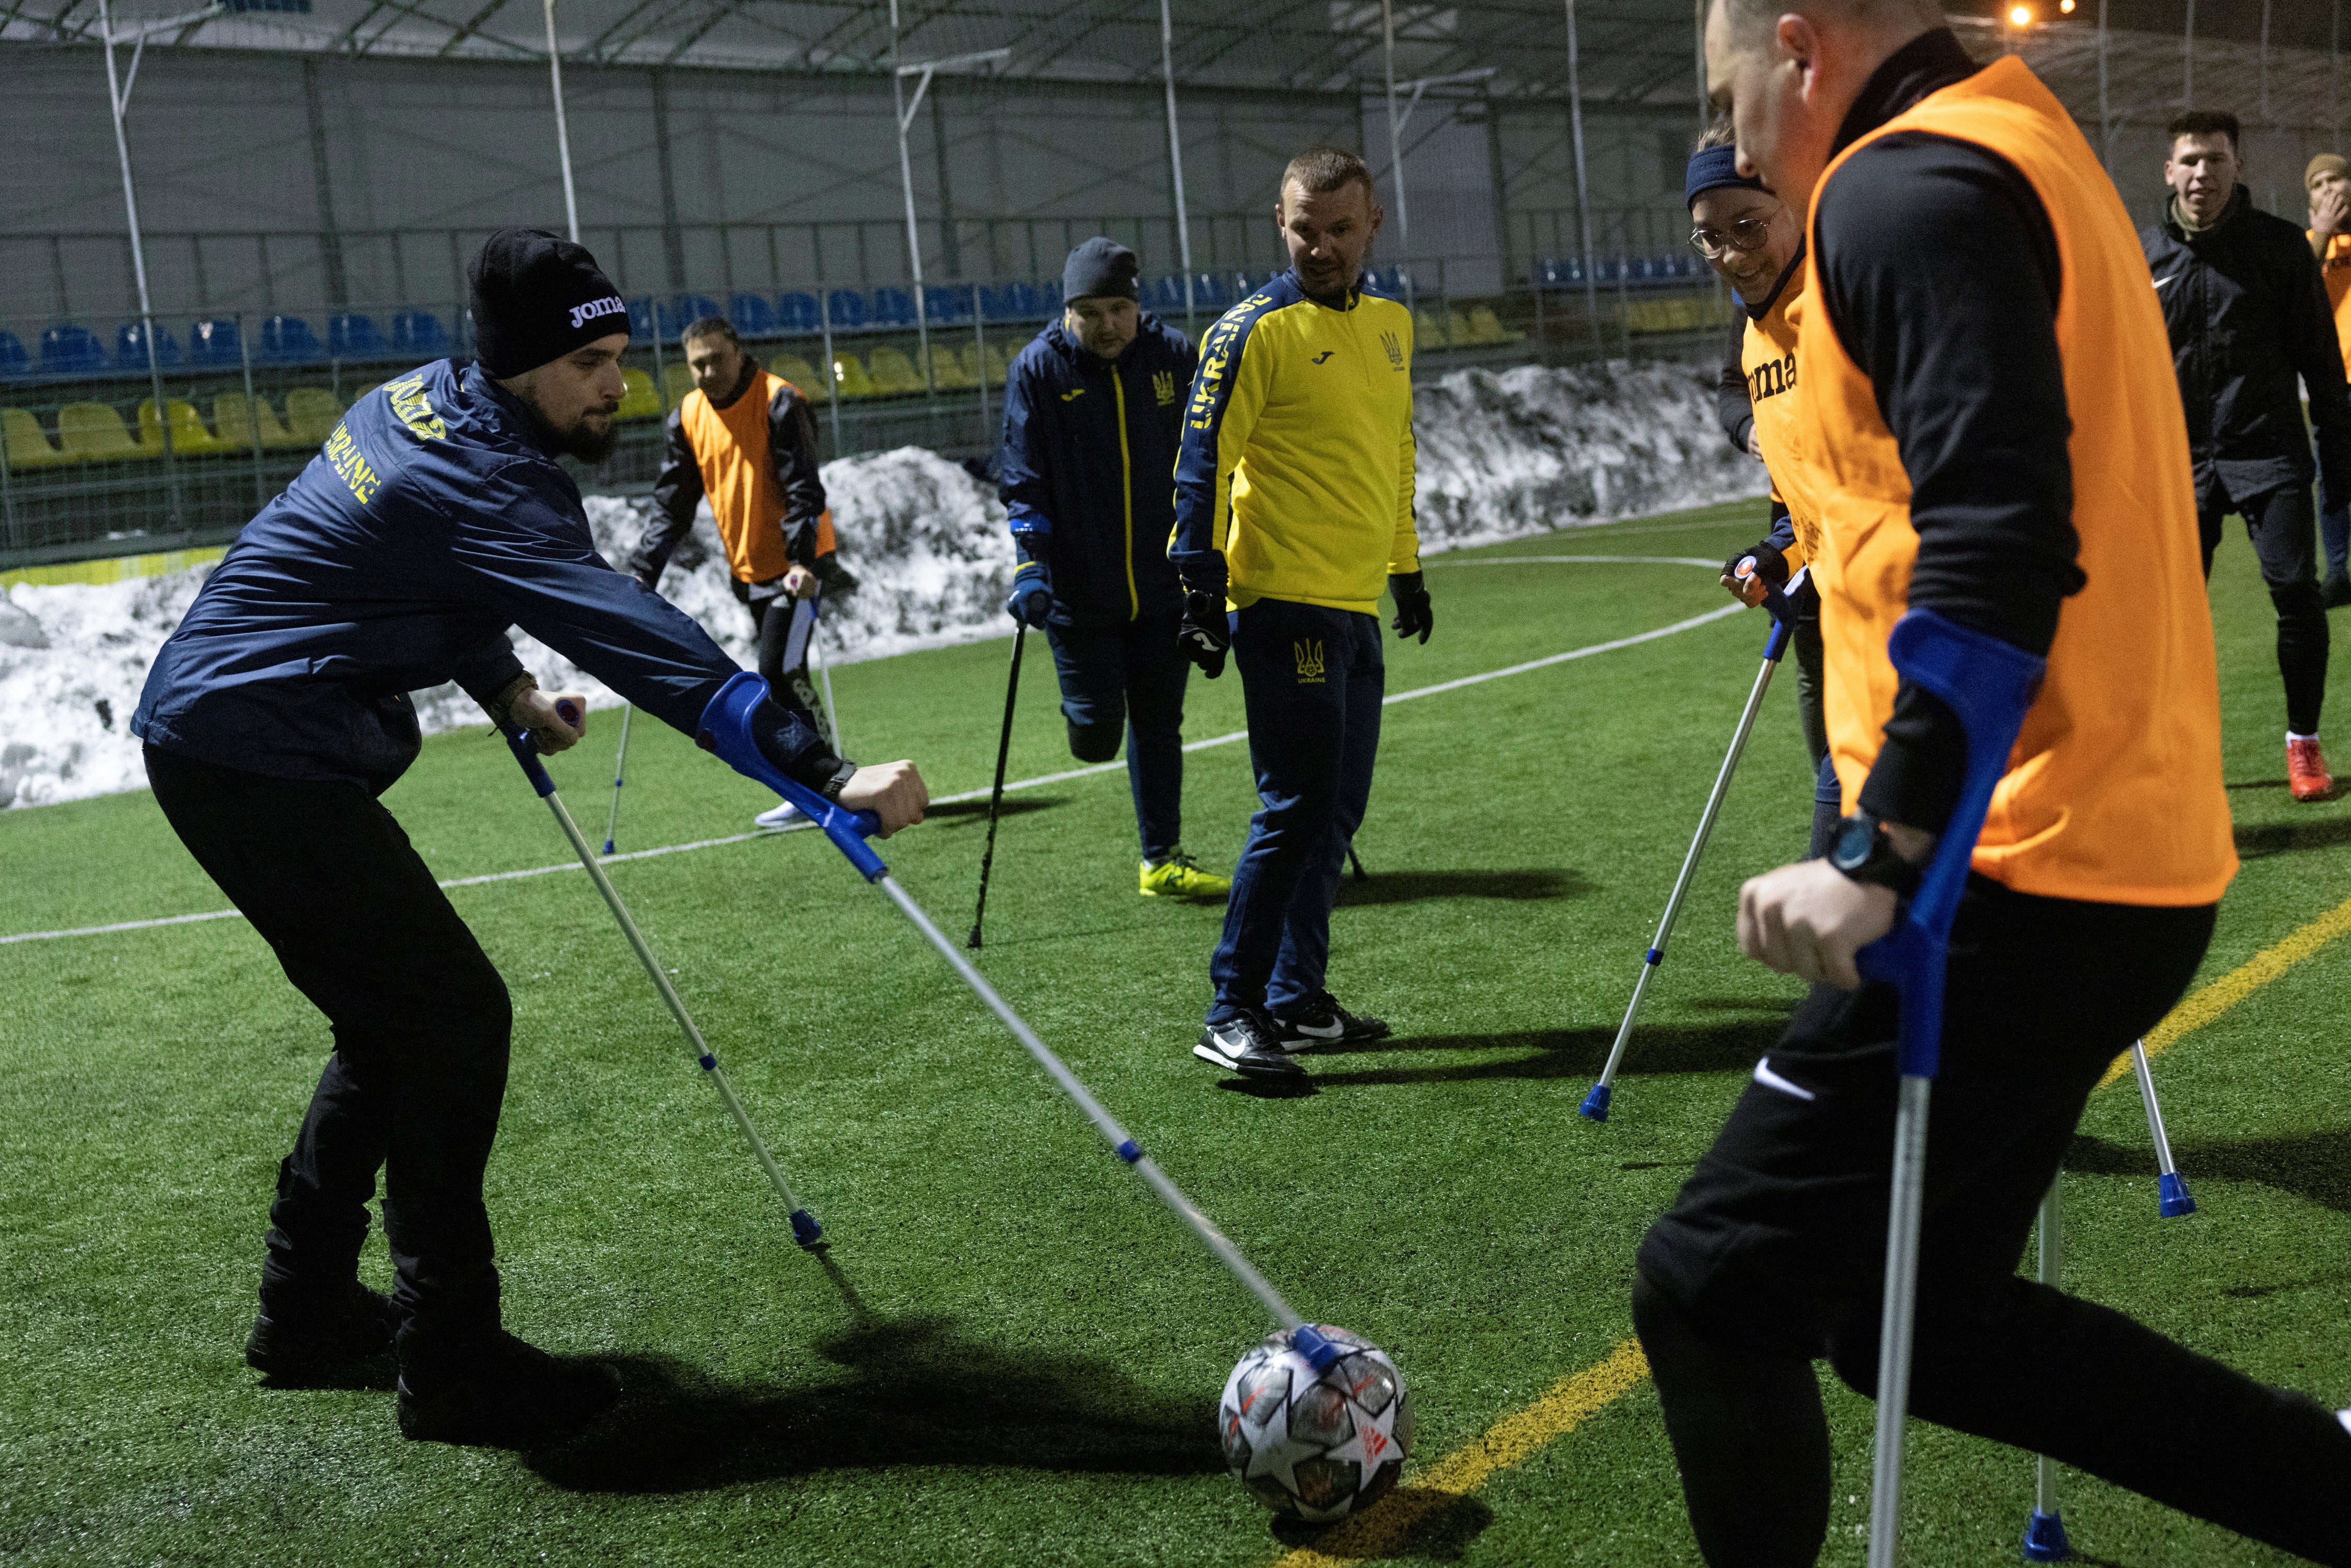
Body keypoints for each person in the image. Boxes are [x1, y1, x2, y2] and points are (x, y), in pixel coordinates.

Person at [1636, 5, 2351, 1564]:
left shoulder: (1905, 186)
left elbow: (1999, 537)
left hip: (2018, 859)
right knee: (1921, 1327)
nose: (1733, 135)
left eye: (1725, 91)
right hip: (2111, 852)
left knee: (1706, 1281)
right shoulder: (2026, 139)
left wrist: (1881, 846)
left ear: (1802, 49)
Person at [130, 229, 927, 1449]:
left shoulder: (421, 402)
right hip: (254, 749)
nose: (620, 384)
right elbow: (640, 640)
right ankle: (450, 1364)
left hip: (228, 728)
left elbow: (415, 573)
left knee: (392, 1020)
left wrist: (504, 688)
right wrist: (822, 768)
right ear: (517, 365)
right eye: (591, 362)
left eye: (620, 355)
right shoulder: (485, 480)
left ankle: (304, 1310)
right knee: (451, 1013)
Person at [1169, 147, 1429, 1082]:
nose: (1320, 247)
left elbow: (1393, 449)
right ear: (1279, 225)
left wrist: (1406, 569)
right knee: (1296, 806)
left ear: (1373, 225)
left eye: (1339, 230)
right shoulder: (1251, 331)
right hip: (1284, 603)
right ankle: (1232, 1008)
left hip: (1355, 605)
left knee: (1335, 812)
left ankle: (1297, 999)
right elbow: (1200, 464)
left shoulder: (1394, 325)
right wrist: (1197, 584)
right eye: (1302, 229)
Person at [996, 238, 1227, 899]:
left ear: (1138, 306)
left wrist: (1212, 558)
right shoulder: (1038, 370)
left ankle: (1162, 860)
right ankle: (1088, 714)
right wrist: (1030, 567)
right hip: (1080, 595)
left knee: (1159, 725)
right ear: (1068, 311)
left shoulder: (1175, 357)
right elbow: (1023, 479)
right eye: (1090, 311)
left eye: (1120, 308)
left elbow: (1209, 461)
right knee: (1097, 737)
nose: (1107, 325)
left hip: (1164, 589)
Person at [2143, 110, 2351, 803]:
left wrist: (2338, 456)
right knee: (2175, 614)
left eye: (2216, 160)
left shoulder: (2283, 248)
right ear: (2169, 171)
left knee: (2295, 592)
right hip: (2179, 462)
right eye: (2191, 161)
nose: (2203, 174)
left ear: (2238, 167)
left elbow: (2322, 363)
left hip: (2269, 451)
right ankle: (2179, 748)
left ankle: (2303, 743)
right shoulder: (2142, 256)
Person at [627, 313, 858, 828]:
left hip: (800, 567)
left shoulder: (780, 401)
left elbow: (804, 489)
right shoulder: (686, 416)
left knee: (778, 669)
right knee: (779, 677)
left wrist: (802, 561)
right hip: (749, 568)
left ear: (738, 352)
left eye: (715, 360)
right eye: (696, 365)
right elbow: (672, 506)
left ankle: (831, 778)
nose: (707, 372)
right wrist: (643, 571)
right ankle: (813, 783)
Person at [1690, 123, 1842, 857]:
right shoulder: (1754, 338)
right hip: (1838, 609)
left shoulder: (1843, 305)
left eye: (1747, 226)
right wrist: (1776, 559)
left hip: (1905, 627)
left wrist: (1835, 569)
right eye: (1709, 237)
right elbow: (1802, 496)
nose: (1730, 254)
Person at [2307, 152, 2351, 604]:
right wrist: (2322, 232)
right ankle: (2337, 573)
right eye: (2317, 185)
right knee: (2334, 479)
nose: (2328, 190)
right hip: (2334, 385)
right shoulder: (2305, 247)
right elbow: (2295, 287)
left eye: (2335, 181)